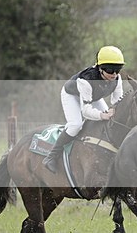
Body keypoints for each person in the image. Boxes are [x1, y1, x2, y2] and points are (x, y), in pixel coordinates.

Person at [42, 45, 125, 173]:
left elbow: (117, 102)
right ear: (100, 68)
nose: (114, 74)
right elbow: (85, 111)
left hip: (93, 96)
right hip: (72, 95)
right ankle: (51, 156)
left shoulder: (117, 79)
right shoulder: (86, 80)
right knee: (75, 125)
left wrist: (114, 111)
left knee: (109, 121)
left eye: (118, 69)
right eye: (110, 69)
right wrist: (102, 115)